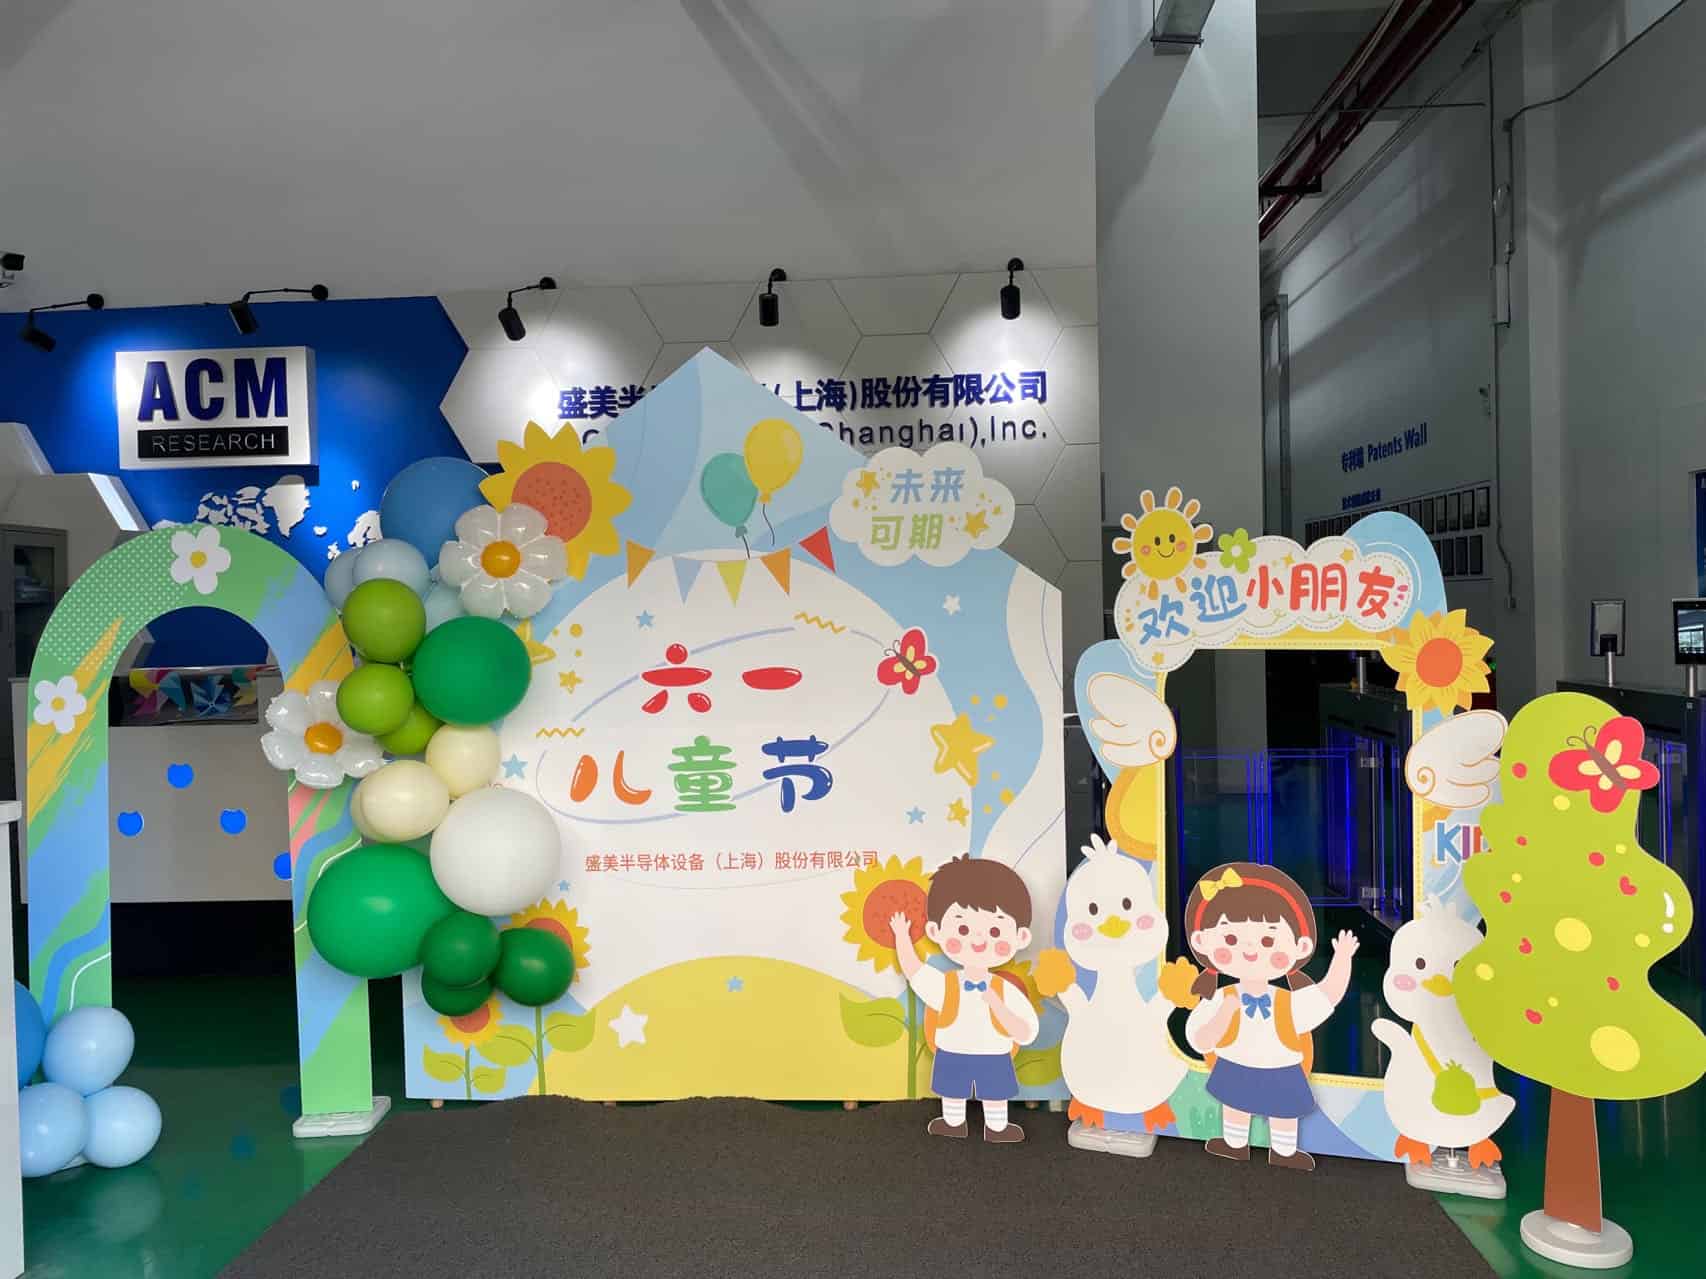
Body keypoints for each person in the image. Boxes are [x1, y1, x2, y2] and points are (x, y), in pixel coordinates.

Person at [1182, 863, 1359, 1171]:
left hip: (1282, 1069)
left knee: (1284, 1113)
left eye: (1267, 941)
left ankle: (1285, 1151)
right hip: (1235, 1065)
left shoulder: (1286, 1001)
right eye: (1231, 939)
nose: (1250, 949)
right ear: (1202, 942)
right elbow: (1201, 1039)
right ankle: (1234, 1144)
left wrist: (1342, 959)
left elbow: (1327, 994)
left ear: (1300, 947)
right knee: (1234, 1107)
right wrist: (1224, 1014)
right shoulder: (1221, 997)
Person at [890, 855, 1039, 1142]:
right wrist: (901, 937)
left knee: (995, 1095)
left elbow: (1027, 1031)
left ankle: (997, 1127)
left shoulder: (1004, 990)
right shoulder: (947, 984)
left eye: (995, 931)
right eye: (963, 929)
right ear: (935, 931)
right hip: (952, 1052)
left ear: (1021, 937)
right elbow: (915, 973)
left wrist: (998, 1007)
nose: (979, 940)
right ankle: (953, 1122)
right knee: (952, 1091)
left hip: (994, 1055)